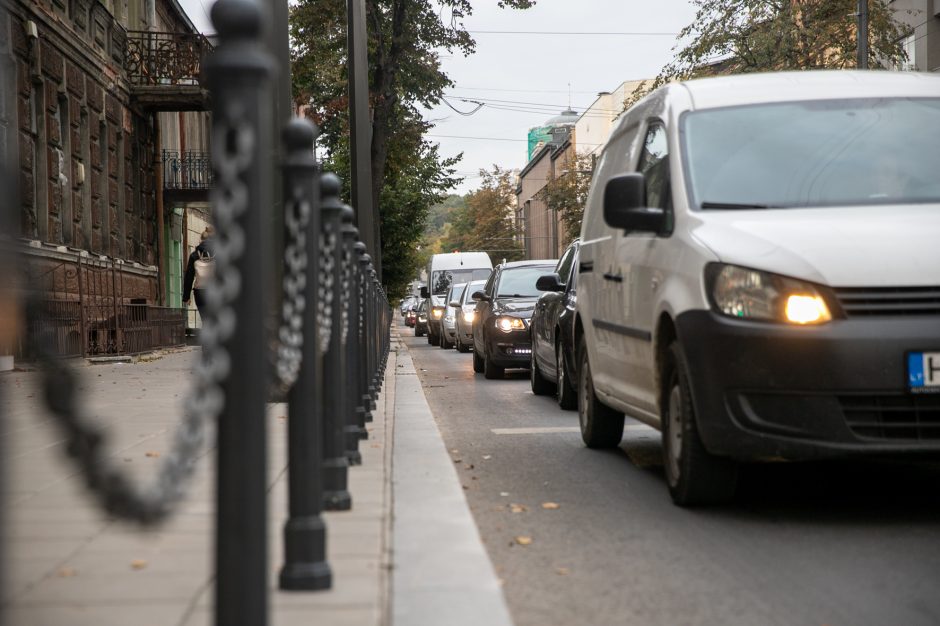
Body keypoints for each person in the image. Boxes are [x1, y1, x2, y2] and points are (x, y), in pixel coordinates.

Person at [183, 226, 215, 319]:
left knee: (205, 319)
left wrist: (186, 297)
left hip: (199, 293)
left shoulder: (194, 255)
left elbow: (189, 276)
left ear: (201, 239)